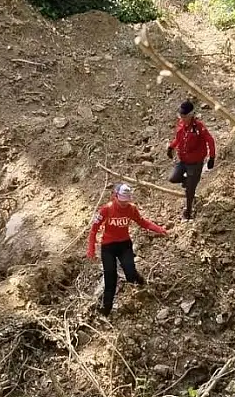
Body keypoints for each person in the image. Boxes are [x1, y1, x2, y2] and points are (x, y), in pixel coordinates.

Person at [87, 183, 168, 315]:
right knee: (110, 278)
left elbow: (142, 222)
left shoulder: (131, 209)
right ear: (115, 196)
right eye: (121, 200)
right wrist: (91, 247)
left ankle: (140, 281)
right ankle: (106, 309)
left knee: (130, 274)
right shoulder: (106, 209)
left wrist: (158, 229)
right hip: (108, 247)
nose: (124, 204)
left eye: (126, 200)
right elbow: (94, 229)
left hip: (124, 244)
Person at [166, 101, 216, 221]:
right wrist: (171, 147)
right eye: (181, 116)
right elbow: (178, 139)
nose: (182, 119)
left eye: (184, 116)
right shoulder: (181, 125)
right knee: (173, 178)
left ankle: (188, 212)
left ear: (190, 115)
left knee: (190, 191)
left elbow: (210, 141)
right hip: (183, 160)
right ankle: (187, 182)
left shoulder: (199, 127)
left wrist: (212, 157)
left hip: (195, 163)